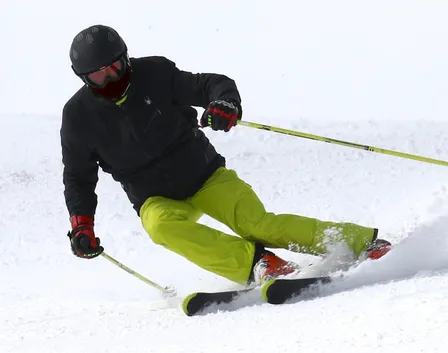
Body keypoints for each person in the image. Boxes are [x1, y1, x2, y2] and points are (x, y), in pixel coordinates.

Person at [61, 24, 391, 287]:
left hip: (204, 176)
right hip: (154, 196)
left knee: (258, 224)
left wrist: (224, 103)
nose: (111, 77)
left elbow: (212, 85)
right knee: (160, 227)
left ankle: (359, 242)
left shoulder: (155, 74)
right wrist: (82, 226)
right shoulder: (78, 117)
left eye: (115, 66)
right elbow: (78, 176)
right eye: (98, 74)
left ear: (125, 58)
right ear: (84, 78)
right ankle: (259, 263)